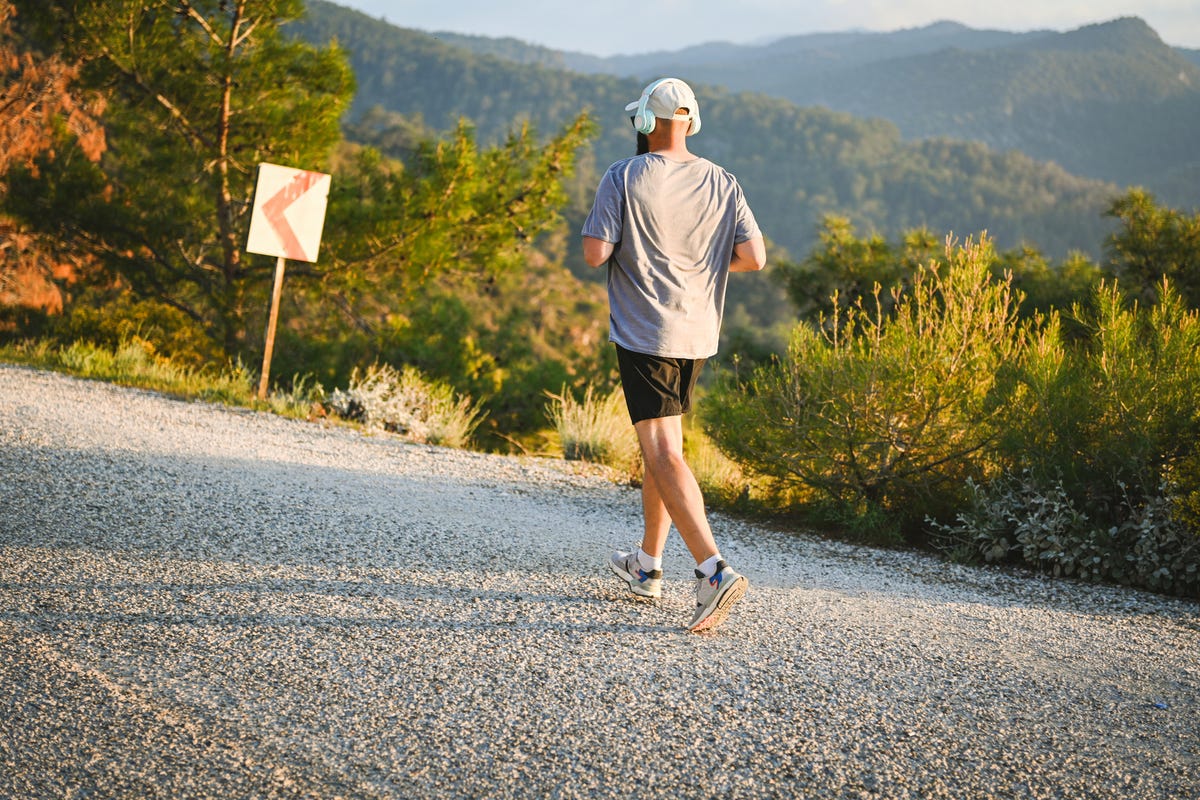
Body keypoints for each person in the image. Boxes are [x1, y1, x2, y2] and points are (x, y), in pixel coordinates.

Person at [581, 77, 767, 632]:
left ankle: (713, 571)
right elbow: (753, 257)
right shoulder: (722, 180)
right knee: (663, 447)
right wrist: (699, 268)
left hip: (646, 331)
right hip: (695, 333)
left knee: (661, 450)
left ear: (643, 121)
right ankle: (647, 565)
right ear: (692, 121)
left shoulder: (623, 174)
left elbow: (595, 254)